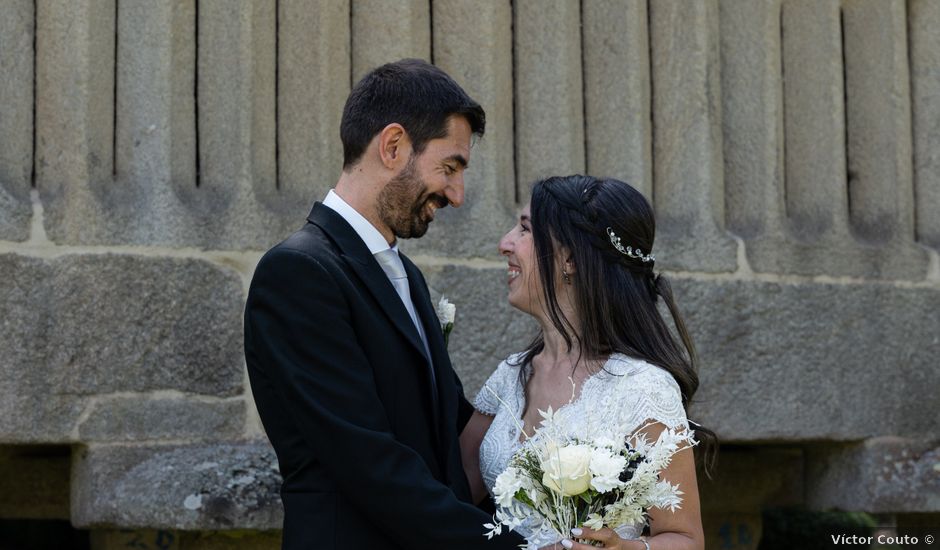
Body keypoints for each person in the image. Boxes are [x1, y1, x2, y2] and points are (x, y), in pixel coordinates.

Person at [243, 59, 526, 549]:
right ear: (393, 146)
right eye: (449, 167)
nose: (457, 195)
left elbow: (444, 434)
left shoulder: (405, 275)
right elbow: (370, 464)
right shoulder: (298, 273)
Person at [461, 175, 716, 550]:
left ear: (569, 260)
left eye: (525, 230)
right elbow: (451, 494)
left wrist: (623, 548)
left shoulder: (642, 388)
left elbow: (685, 539)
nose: (505, 243)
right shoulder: (510, 377)